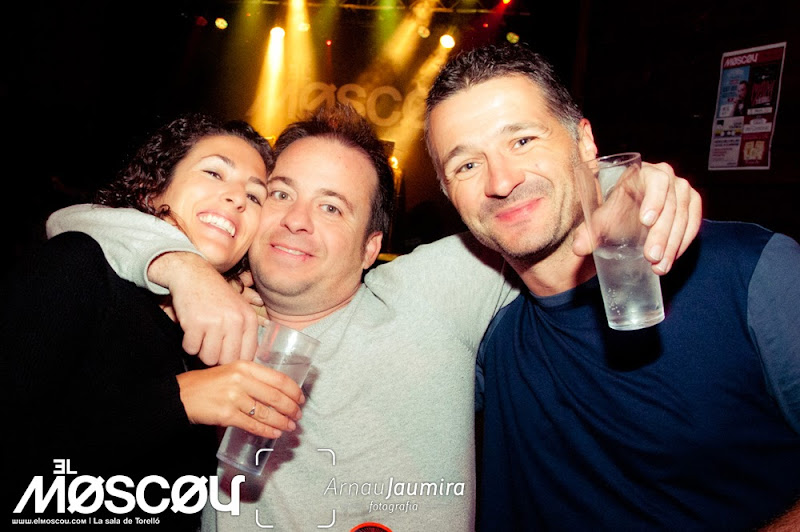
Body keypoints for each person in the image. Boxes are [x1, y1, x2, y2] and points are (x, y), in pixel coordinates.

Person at [46, 100, 699, 530]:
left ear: (370, 248)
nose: (297, 220)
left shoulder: (430, 291)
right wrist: (183, 268)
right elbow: (72, 221)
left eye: (333, 207)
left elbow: (532, 205)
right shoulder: (211, 321)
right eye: (281, 194)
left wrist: (633, 186)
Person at [423, 44, 800, 530]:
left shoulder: (749, 273)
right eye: (466, 165)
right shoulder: (481, 336)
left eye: (522, 141)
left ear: (584, 143)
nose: (501, 180)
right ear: (448, 194)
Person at [3, 113, 305, 529]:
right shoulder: (76, 268)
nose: (237, 198)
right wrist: (178, 401)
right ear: (154, 186)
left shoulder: (218, 329)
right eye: (214, 172)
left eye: (255, 196)